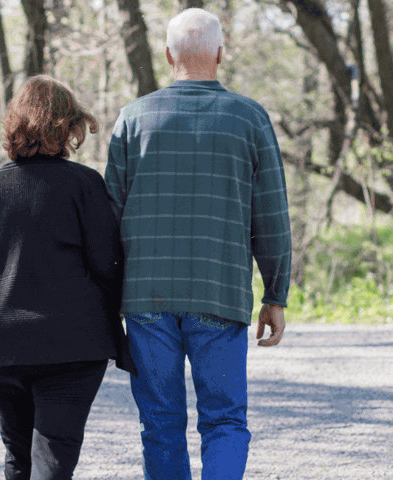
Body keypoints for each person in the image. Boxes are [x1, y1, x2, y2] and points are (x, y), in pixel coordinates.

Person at [103, 8, 291, 480]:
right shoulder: (249, 119)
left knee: (160, 424)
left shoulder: (133, 119)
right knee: (224, 420)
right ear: (220, 54)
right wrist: (275, 294)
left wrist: (106, 299)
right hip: (220, 292)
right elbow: (270, 214)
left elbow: (108, 218)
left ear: (168, 55)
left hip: (146, 298)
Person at [0, 74, 137, 480]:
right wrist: (116, 319)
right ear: (69, 126)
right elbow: (107, 264)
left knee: (19, 455)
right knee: (53, 458)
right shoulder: (84, 184)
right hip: (70, 343)